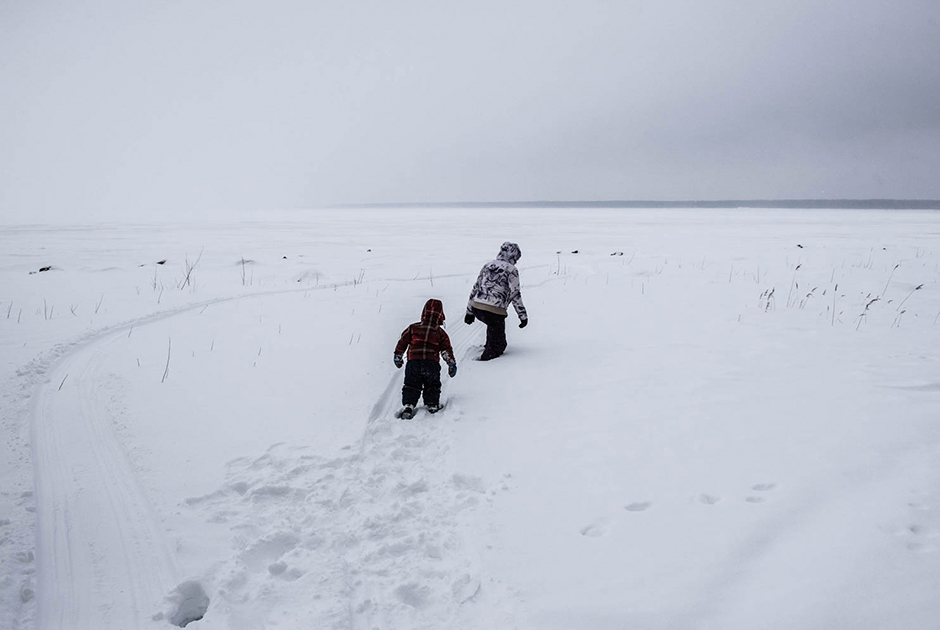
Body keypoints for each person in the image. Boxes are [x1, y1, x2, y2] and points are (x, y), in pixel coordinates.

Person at [393, 298, 457, 419]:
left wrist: (398, 355)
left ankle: (409, 405)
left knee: (411, 384)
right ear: (441, 315)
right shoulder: (440, 332)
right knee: (432, 384)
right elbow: (446, 350)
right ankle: (432, 405)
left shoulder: (413, 328)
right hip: (431, 364)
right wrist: (451, 363)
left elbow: (402, 342)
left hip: (413, 363)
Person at [464, 241, 527, 360]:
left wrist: (469, 312)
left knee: (493, 327)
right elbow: (515, 294)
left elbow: (475, 288)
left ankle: (489, 345)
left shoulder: (487, 265)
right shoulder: (511, 270)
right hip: (494, 311)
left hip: (477, 307)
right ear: (513, 256)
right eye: (516, 259)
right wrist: (522, 316)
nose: (516, 261)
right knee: (498, 342)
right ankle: (487, 361)